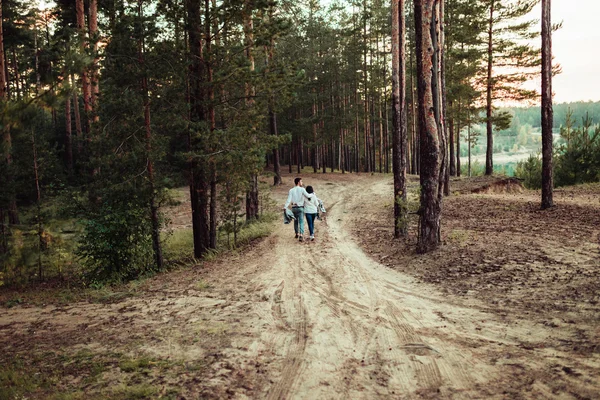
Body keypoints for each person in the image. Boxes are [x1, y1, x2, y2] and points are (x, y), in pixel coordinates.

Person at [283, 177, 314, 242]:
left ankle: (296, 233)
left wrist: (285, 207)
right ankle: (301, 234)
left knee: (295, 221)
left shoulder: (291, 190)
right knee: (301, 222)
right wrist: (312, 194)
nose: (302, 183)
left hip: (294, 208)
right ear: (298, 182)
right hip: (300, 207)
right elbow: (308, 196)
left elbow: (289, 199)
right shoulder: (302, 189)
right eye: (301, 181)